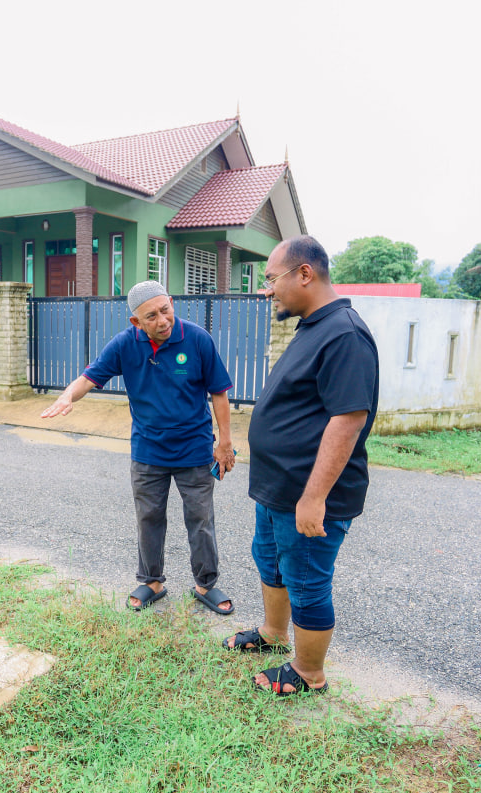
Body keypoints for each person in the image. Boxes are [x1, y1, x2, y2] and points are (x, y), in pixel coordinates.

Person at [224, 236, 379, 696]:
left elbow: (348, 420)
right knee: (270, 560)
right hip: (278, 487)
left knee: (307, 579)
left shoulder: (345, 333)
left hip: (309, 495)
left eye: (272, 279)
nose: (266, 290)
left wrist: (314, 498)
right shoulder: (314, 325)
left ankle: (309, 673)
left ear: (304, 274)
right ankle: (274, 634)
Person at [40, 280, 238, 614]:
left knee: (200, 518)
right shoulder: (124, 345)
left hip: (195, 448)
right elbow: (89, 377)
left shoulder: (197, 339)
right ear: (136, 322)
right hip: (148, 451)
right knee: (148, 516)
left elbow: (219, 392)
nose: (163, 320)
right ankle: (151, 581)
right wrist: (66, 396)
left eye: (166, 310)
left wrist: (225, 444)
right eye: (152, 316)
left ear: (172, 303)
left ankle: (206, 584)